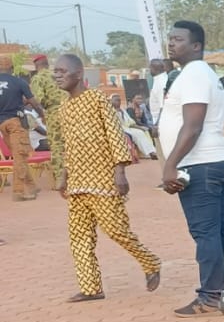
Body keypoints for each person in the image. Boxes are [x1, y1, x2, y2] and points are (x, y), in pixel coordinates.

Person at [51, 54, 161, 302]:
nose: (56, 75)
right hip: (77, 182)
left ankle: (150, 262)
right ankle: (91, 288)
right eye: (54, 71)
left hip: (103, 180)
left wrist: (120, 171)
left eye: (61, 71)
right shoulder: (64, 107)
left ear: (78, 74)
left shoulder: (97, 99)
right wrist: (64, 175)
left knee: (116, 230)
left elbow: (115, 134)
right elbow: (70, 144)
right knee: (79, 236)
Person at [158, 19, 224, 316]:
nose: (171, 43)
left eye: (178, 39)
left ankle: (210, 296)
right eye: (170, 38)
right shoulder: (197, 73)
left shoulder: (193, 75)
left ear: (196, 46)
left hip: (200, 163)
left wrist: (170, 165)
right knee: (219, 231)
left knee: (206, 233)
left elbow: (192, 126)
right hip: (212, 160)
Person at [0, 54, 42, 202]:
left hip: (2, 125)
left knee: (20, 156)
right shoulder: (18, 82)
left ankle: (31, 185)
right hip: (15, 122)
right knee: (20, 157)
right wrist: (42, 115)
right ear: (11, 68)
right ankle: (18, 192)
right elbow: (34, 103)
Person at [28, 53, 67, 183]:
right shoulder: (57, 76)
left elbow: (38, 99)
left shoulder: (38, 78)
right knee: (72, 144)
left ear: (36, 65)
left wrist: (42, 113)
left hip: (54, 113)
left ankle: (60, 179)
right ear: (47, 64)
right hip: (69, 111)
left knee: (56, 147)